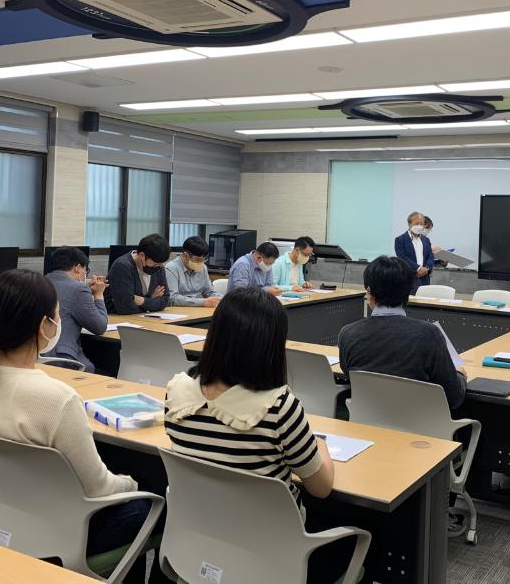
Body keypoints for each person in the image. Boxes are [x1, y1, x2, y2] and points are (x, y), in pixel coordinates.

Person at [0, 269, 167, 583]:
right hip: (64, 532)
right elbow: (98, 488)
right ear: (44, 325)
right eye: (58, 315)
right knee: (154, 500)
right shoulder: (57, 397)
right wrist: (131, 485)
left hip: (0, 516)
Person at [165, 288, 346, 584]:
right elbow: (321, 488)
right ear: (272, 346)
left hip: (199, 542)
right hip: (271, 556)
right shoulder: (278, 408)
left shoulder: (177, 394)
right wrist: (320, 446)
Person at [337, 256, 466, 409]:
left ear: (369, 292)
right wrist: (460, 375)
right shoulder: (429, 334)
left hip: (367, 420)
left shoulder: (347, 334)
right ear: (408, 293)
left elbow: (350, 375)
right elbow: (453, 398)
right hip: (418, 422)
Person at [45, 246, 108, 372]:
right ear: (78, 268)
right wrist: (99, 295)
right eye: (86, 270)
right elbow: (100, 327)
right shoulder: (78, 290)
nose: (85, 274)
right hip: (62, 358)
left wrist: (86, 290)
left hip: (37, 354)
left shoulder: (40, 281)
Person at [105, 234, 171, 315]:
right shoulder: (122, 266)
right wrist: (151, 300)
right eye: (154, 263)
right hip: (117, 318)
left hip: (143, 317)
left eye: (160, 264)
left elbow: (165, 300)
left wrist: (142, 300)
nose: (158, 267)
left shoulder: (158, 266)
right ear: (142, 255)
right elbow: (126, 308)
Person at [164, 236, 221, 308]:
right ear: (185, 255)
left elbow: (209, 292)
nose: (201, 263)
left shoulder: (203, 268)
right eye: (197, 260)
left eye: (204, 259)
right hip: (179, 310)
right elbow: (172, 298)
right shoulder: (171, 268)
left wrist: (223, 299)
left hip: (198, 309)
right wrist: (202, 302)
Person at [394, 211, 435, 294]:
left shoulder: (426, 240)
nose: (419, 226)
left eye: (421, 224)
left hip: (424, 278)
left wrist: (426, 268)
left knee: (424, 300)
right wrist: (418, 269)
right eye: (417, 223)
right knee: (408, 300)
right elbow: (402, 257)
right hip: (409, 277)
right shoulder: (400, 240)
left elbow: (430, 256)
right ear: (409, 224)